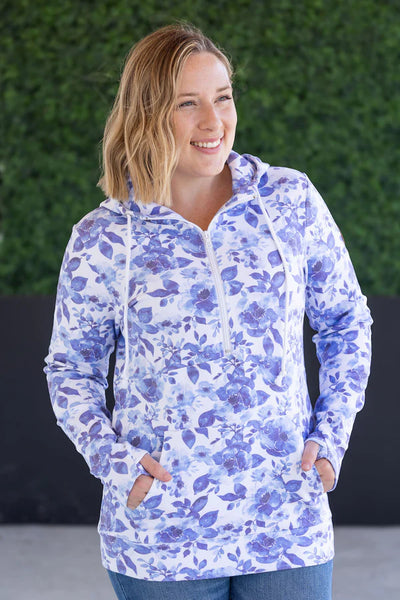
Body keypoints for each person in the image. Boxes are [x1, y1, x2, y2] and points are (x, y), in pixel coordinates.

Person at [44, 23, 372, 600]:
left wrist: (332, 433)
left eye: (222, 97)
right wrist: (116, 463)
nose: (213, 122)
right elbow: (70, 369)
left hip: (285, 522)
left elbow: (346, 321)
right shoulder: (104, 237)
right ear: (147, 113)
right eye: (187, 104)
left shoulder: (289, 200)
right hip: (161, 534)